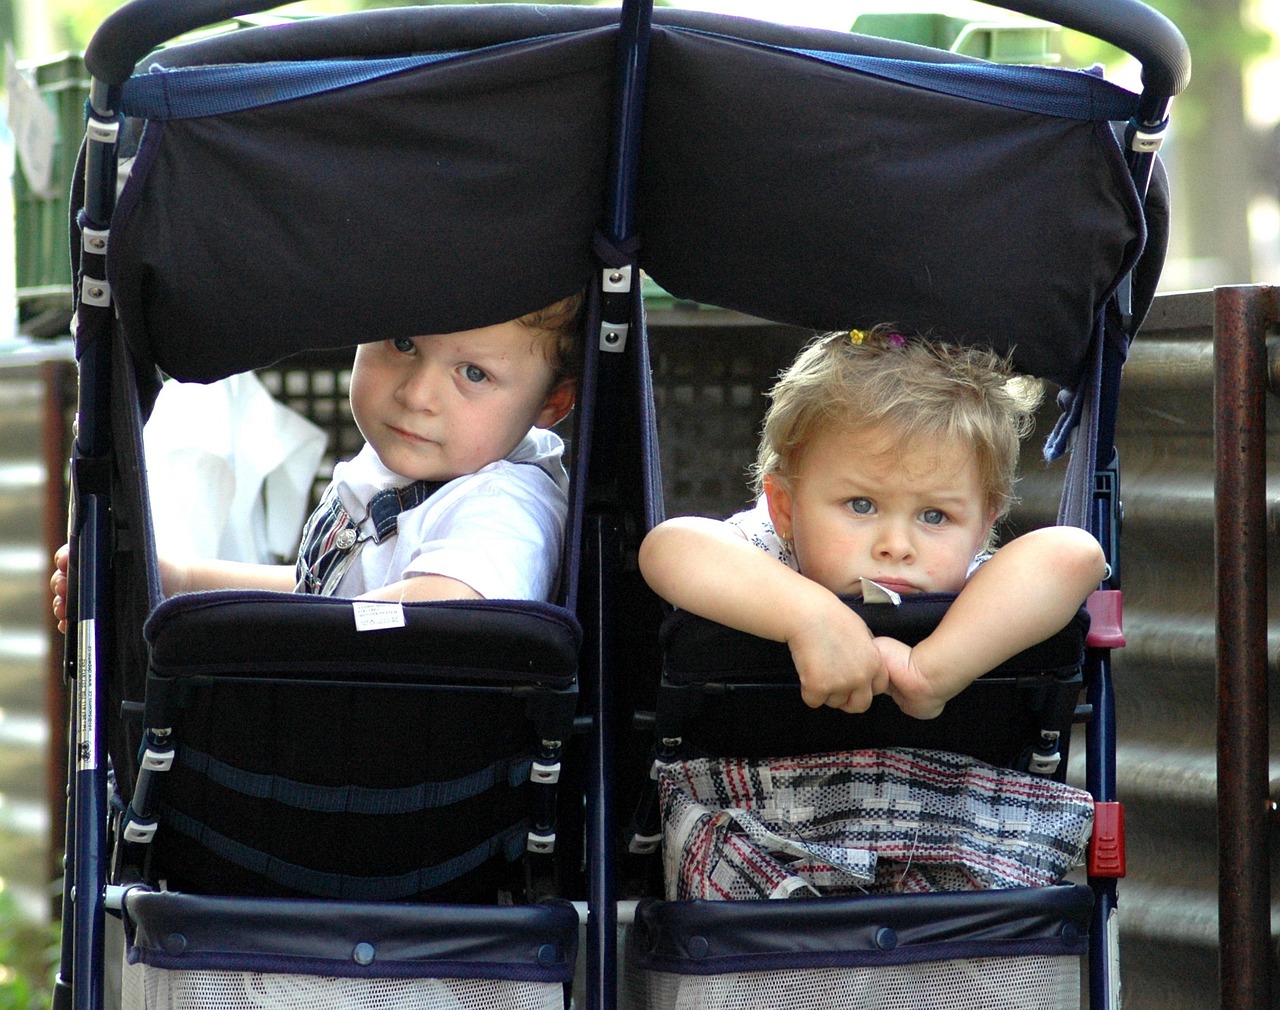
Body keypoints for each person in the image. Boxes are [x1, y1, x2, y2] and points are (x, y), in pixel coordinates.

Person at [638, 325, 1106, 720]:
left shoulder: (978, 587)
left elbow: (1075, 554)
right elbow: (668, 547)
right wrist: (810, 617)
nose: (896, 545)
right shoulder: (767, 553)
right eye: (861, 505)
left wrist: (931, 671)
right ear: (784, 507)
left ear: (983, 527)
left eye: (934, 515)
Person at [51, 292, 583, 631]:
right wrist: (176, 579)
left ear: (550, 405)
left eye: (473, 374)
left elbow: (434, 614)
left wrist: (261, 632)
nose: (417, 393)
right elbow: (322, 592)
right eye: (401, 343)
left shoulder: (503, 506)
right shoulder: (409, 467)